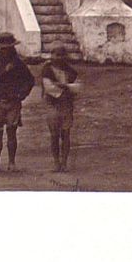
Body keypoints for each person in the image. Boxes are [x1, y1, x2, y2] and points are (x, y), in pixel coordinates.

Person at [0, 32, 37, 172]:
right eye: (5, 48)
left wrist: (21, 95)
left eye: (9, 48)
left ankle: (11, 162)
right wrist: (5, 71)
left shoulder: (19, 64)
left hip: (13, 101)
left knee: (11, 132)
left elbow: (30, 81)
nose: (7, 50)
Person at [41, 44, 81, 172]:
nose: (59, 58)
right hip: (52, 104)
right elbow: (49, 88)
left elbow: (77, 88)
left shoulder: (71, 71)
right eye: (56, 55)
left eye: (61, 55)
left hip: (66, 104)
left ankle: (64, 162)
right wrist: (67, 87)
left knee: (65, 133)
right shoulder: (47, 70)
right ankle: (56, 162)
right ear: (52, 55)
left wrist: (63, 86)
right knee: (54, 134)